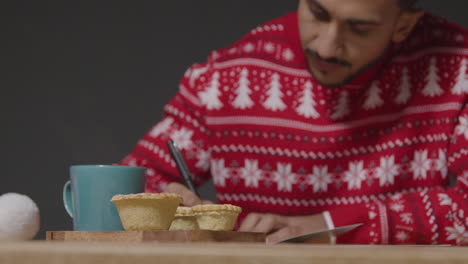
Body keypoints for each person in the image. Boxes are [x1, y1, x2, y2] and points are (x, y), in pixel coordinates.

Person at [120, 0, 468, 245]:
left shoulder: (459, 67)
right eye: (317, 13)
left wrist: (331, 228)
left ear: (403, 25)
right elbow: (133, 181)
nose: (328, 47)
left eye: (359, 29)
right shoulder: (228, 77)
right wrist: (168, 203)